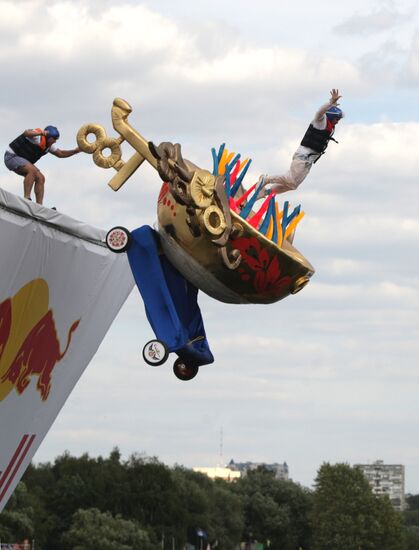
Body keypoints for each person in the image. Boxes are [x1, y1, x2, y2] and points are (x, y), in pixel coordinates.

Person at [259, 89, 344, 196]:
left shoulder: (330, 127)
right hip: (303, 155)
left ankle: (266, 192)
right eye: (337, 118)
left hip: (309, 160)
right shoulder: (320, 121)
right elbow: (320, 111)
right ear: (331, 116)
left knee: (293, 185)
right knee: (290, 179)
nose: (338, 121)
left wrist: (334, 105)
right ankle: (265, 180)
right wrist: (331, 102)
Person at [4, 125, 81, 205]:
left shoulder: (48, 146)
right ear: (49, 137)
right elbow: (26, 133)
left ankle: (39, 206)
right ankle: (26, 198)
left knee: (41, 178)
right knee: (32, 171)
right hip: (11, 156)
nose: (55, 141)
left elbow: (61, 154)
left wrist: (75, 151)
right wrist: (40, 133)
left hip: (21, 160)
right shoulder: (37, 137)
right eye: (54, 139)